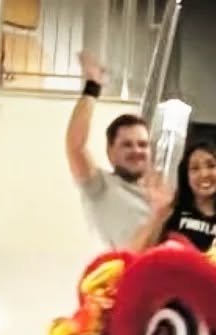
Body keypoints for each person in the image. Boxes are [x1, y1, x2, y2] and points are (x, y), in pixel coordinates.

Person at [65, 50, 152, 248]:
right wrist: (93, 87)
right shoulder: (100, 186)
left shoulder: (162, 193)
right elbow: (75, 146)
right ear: (110, 152)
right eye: (126, 145)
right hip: (123, 274)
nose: (136, 150)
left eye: (142, 144)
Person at [129, 140, 216, 253]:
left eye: (211, 166)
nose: (204, 174)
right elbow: (135, 252)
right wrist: (158, 215)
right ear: (186, 176)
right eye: (195, 168)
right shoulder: (171, 212)